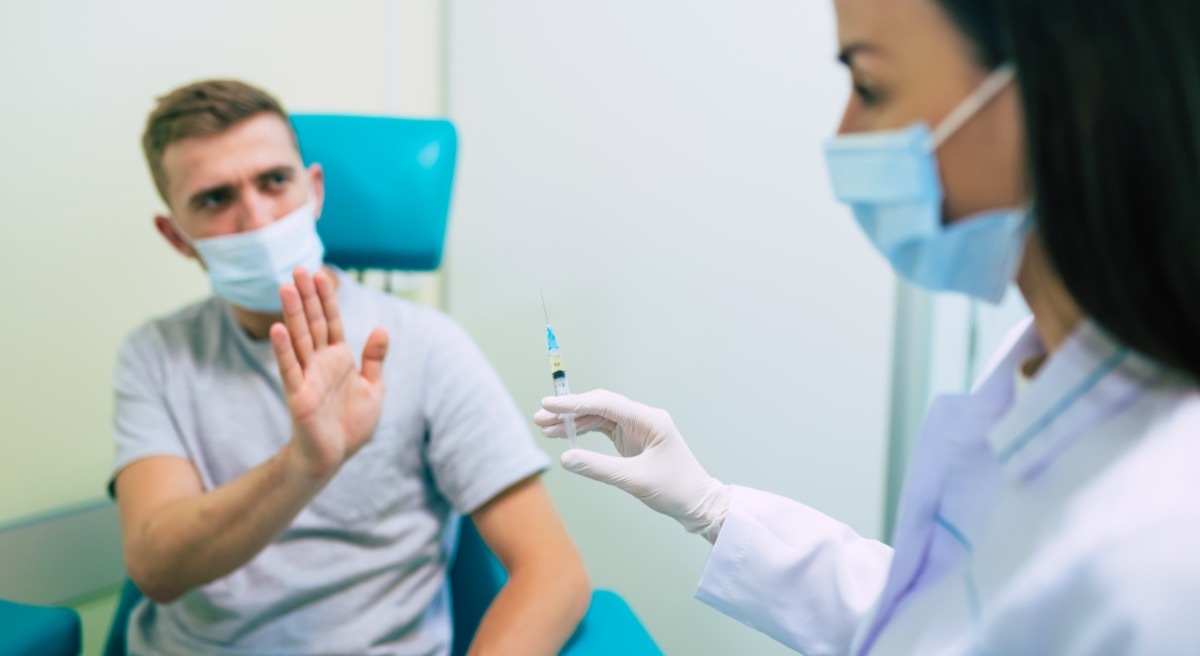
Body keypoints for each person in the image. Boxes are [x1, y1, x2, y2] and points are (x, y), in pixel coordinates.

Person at [535, 0, 1200, 654]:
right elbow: (934, 621)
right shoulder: (1035, 363)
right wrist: (711, 506)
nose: (847, 135)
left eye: (870, 85)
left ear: (1058, 89)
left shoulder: (1164, 554)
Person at [111, 79, 589, 656]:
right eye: (215, 199)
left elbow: (554, 572)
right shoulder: (156, 353)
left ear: (314, 190)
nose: (257, 218)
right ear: (175, 235)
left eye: (274, 182)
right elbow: (156, 569)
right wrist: (303, 465)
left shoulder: (426, 345)